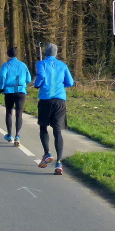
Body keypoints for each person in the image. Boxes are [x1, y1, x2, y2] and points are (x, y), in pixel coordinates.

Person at [33, 43, 74, 175]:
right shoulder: (63, 65)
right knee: (57, 130)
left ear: (45, 52)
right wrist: (60, 85)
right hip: (60, 100)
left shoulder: (41, 64)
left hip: (46, 99)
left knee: (43, 127)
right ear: (56, 53)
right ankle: (59, 163)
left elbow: (41, 77)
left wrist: (37, 84)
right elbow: (70, 82)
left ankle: (47, 153)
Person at [0, 47, 32, 147]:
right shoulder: (23, 65)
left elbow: (2, 76)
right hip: (21, 91)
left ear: (8, 55)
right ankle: (17, 136)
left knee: (9, 112)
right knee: (19, 113)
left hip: (9, 91)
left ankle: (9, 135)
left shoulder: (6, 65)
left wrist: (1, 87)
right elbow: (29, 79)